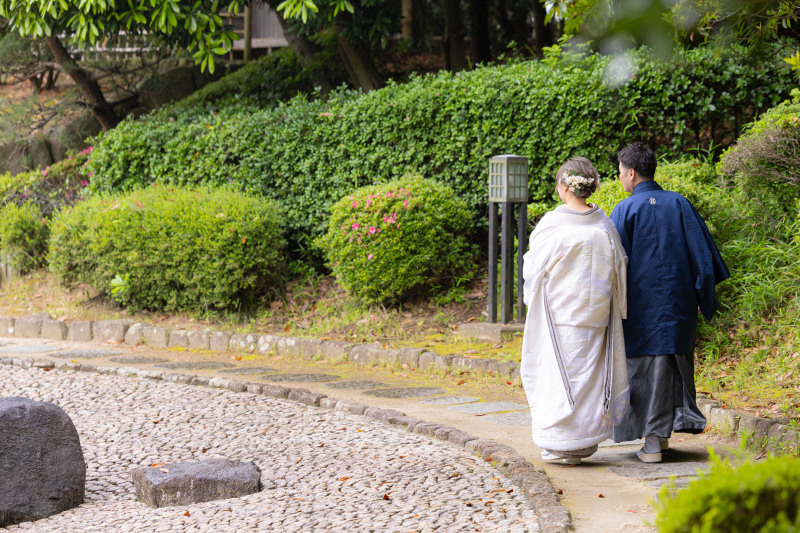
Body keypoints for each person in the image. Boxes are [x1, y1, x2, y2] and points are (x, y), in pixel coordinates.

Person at [610, 142, 730, 463]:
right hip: (679, 307)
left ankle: (652, 444)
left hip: (640, 311)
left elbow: (615, 266)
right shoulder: (680, 204)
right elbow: (703, 260)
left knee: (647, 371)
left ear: (631, 173)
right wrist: (705, 299)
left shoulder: (624, 211)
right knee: (670, 368)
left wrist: (612, 308)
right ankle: (660, 439)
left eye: (621, 173)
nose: (620, 178)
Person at [521, 157, 630, 465]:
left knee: (558, 375)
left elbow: (533, 269)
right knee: (591, 377)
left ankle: (560, 442)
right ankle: (583, 443)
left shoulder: (553, 224)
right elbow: (620, 266)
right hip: (596, 313)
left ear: (564, 186)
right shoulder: (604, 224)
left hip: (560, 314)